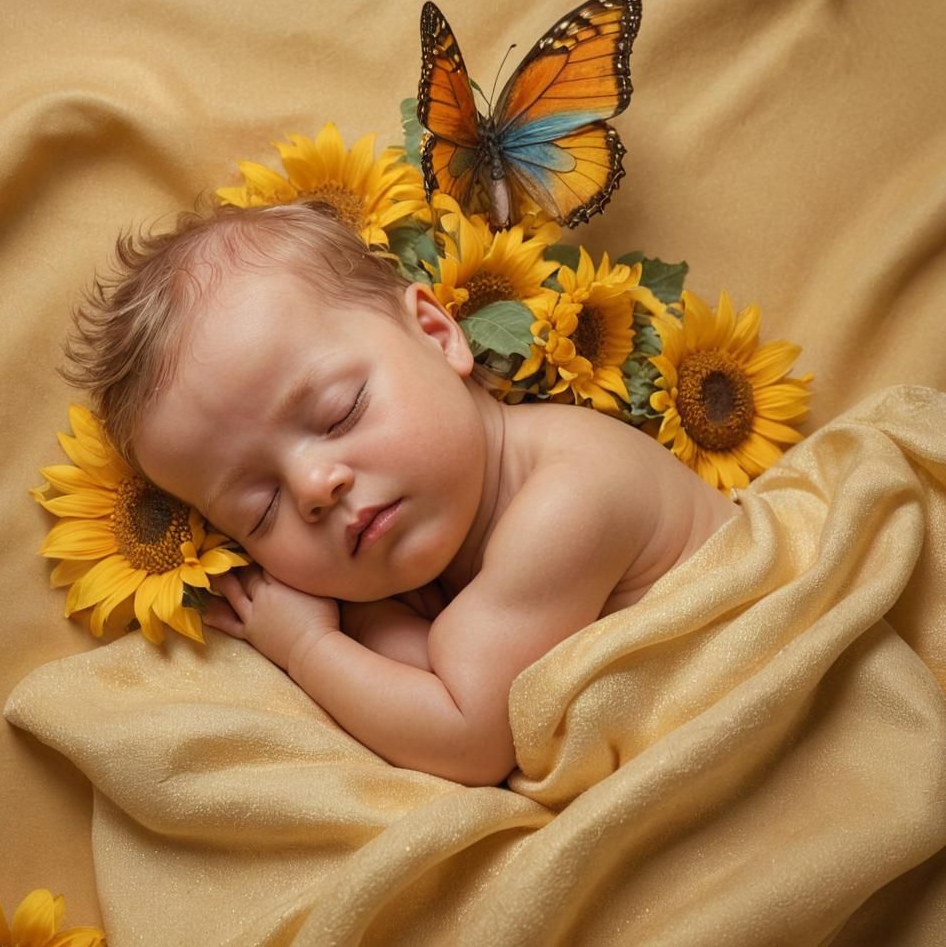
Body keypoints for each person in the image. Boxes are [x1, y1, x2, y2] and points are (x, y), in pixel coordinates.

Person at [65, 201, 740, 786]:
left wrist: (312, 649)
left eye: (338, 413)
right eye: (259, 510)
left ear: (438, 334)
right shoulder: (461, 539)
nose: (315, 488)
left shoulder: (572, 499)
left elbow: (467, 734)